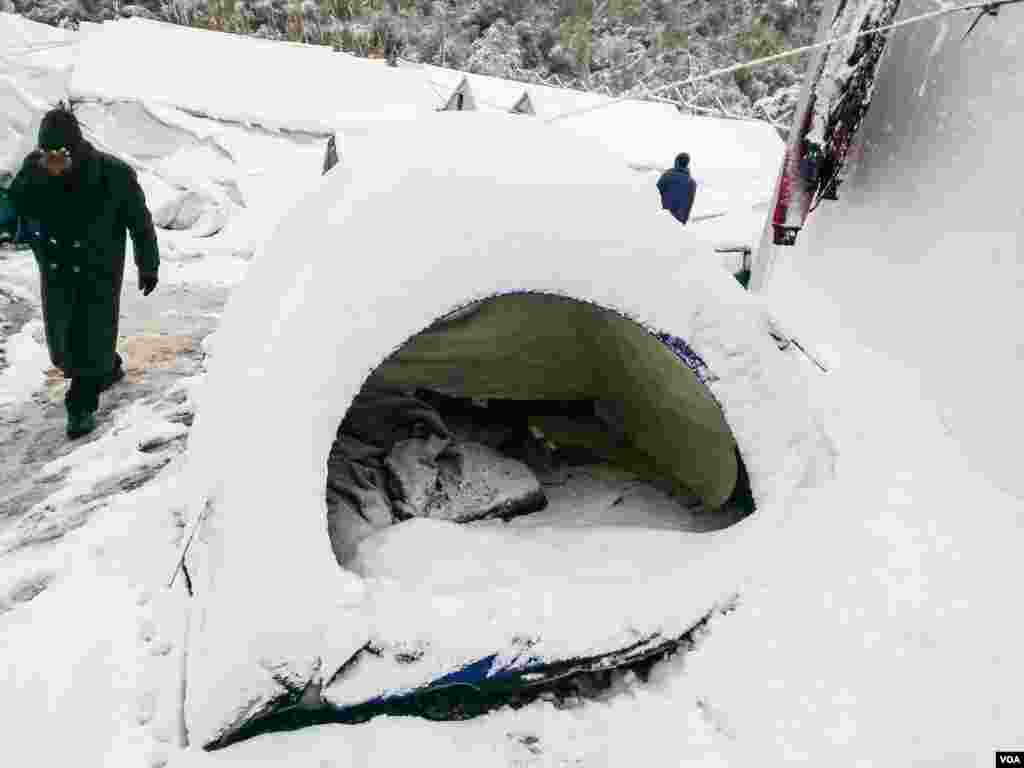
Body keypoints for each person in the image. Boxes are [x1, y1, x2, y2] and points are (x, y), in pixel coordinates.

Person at [7, 103, 160, 439]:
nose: (53, 164)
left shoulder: (112, 175)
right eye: (46, 156)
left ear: (75, 150)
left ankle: (80, 406)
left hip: (99, 269)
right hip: (55, 269)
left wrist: (148, 264)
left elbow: (140, 223)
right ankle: (108, 368)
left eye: (60, 156)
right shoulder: (35, 170)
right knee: (63, 343)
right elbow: (13, 205)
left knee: (91, 335)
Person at [656, 152, 698, 225]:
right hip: (678, 221)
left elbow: (655, 194)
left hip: (663, 217)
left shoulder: (667, 175)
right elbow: (689, 205)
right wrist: (683, 221)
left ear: (676, 162)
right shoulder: (692, 183)